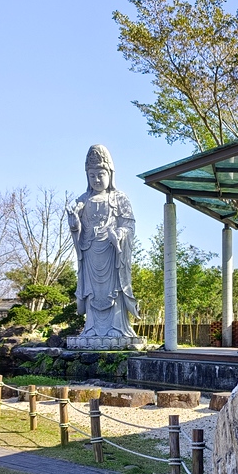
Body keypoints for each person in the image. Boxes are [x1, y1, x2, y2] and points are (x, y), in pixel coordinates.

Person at [67, 145, 140, 341]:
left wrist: (119, 235)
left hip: (112, 251)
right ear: (87, 176)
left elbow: (129, 225)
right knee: (92, 291)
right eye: (92, 175)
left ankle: (117, 328)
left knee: (113, 291)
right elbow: (76, 227)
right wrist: (74, 225)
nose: (97, 179)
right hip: (90, 250)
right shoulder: (82, 200)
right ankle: (91, 328)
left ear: (110, 174)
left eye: (101, 174)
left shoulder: (120, 198)